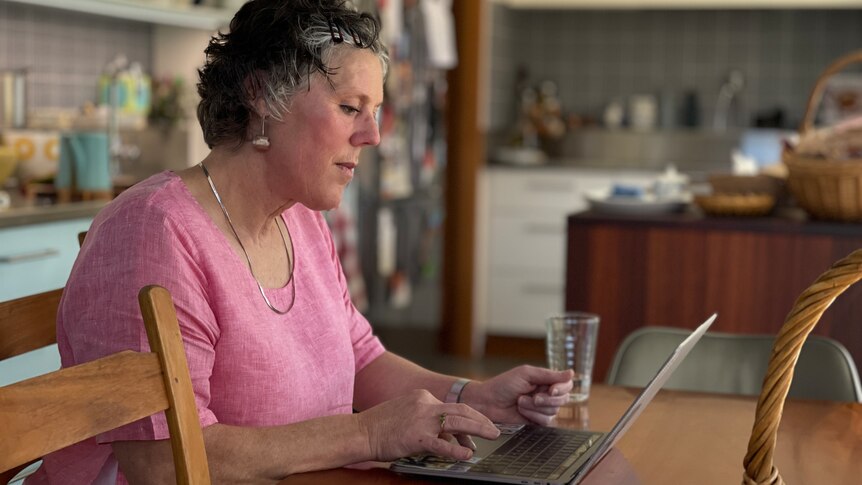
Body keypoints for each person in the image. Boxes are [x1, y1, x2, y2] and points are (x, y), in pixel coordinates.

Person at [31, 1, 573, 483]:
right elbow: (162, 462)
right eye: (348, 107)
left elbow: (359, 358)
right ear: (264, 96)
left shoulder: (301, 219)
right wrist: (366, 436)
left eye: (375, 110)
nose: (372, 135)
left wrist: (469, 397)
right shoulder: (154, 231)